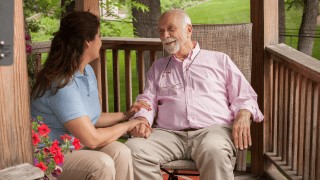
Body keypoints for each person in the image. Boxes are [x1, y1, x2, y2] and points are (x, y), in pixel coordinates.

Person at [125, 9, 264, 180]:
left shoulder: (220, 60)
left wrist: (243, 113)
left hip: (212, 131)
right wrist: (142, 119)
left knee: (215, 150)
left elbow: (245, 95)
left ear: (188, 30)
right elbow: (147, 100)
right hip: (169, 134)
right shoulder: (158, 67)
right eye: (161, 31)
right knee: (133, 150)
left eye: (171, 29)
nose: (165, 35)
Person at [30, 11, 151, 180]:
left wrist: (126, 115)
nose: (101, 42)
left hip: (73, 145)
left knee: (121, 151)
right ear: (87, 43)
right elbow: (92, 139)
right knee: (102, 163)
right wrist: (128, 125)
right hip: (49, 155)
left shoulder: (86, 71)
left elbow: (93, 118)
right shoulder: (61, 83)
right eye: (99, 36)